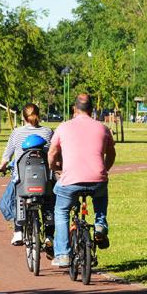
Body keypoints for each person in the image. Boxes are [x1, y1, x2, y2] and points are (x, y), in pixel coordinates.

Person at [48, 93, 116, 268]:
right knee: (100, 198)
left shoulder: (63, 127)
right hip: (97, 180)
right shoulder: (103, 128)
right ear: (92, 110)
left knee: (61, 211)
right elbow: (111, 154)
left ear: (74, 109)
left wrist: (54, 167)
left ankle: (63, 254)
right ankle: (100, 225)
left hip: (71, 180)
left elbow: (52, 152)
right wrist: (104, 170)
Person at [0, 103, 55, 247]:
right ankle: (49, 235)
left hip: (23, 178)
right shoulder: (48, 132)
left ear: (23, 117)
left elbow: (7, 156)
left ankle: (18, 231)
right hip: (44, 178)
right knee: (49, 200)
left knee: (13, 197)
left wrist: (2, 167)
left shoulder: (16, 133)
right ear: (39, 115)